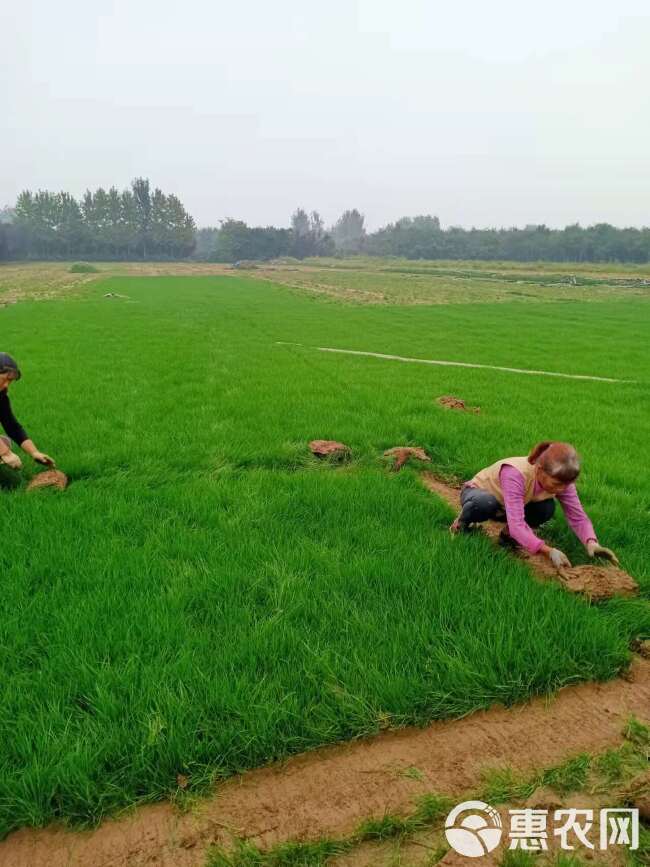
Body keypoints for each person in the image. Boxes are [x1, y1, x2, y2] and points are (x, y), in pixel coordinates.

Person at [449, 441, 618, 570]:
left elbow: (578, 516)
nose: (561, 489)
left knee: (546, 509)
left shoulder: (562, 480)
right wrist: (548, 550)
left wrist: (592, 543)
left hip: (509, 507)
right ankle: (461, 524)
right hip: (479, 496)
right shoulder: (515, 473)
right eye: (556, 483)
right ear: (539, 470)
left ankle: (507, 539)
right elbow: (517, 524)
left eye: (566, 485)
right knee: (484, 503)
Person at [0, 352, 55, 472]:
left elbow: (12, 426)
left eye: (10, 382)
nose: (6, 385)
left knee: (5, 441)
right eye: (4, 379)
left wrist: (34, 452)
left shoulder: (1, 397)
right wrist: (6, 453)